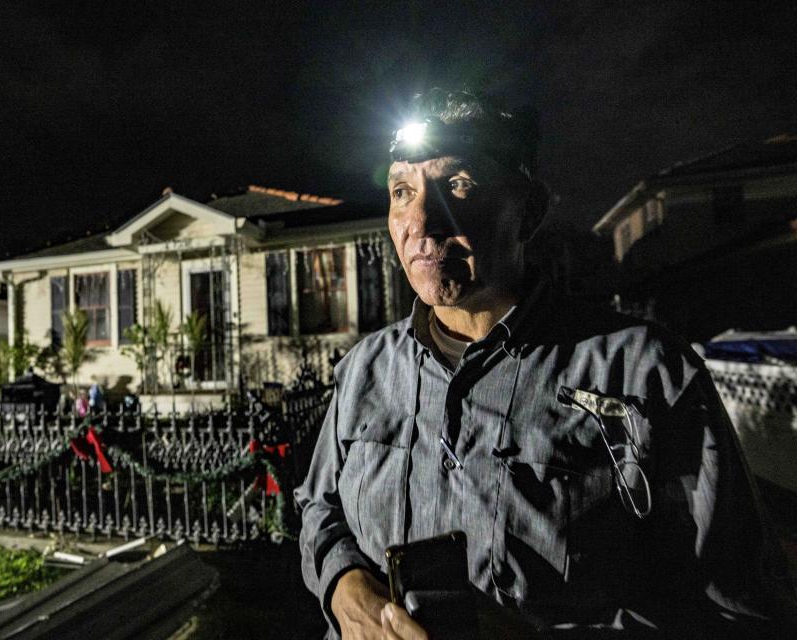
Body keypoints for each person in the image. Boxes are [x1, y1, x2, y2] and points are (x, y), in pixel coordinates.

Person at [294, 88, 796, 639]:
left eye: (458, 185)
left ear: (528, 210)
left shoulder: (644, 375)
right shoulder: (365, 369)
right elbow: (320, 508)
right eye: (401, 191)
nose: (422, 222)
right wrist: (345, 588)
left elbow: (743, 611)